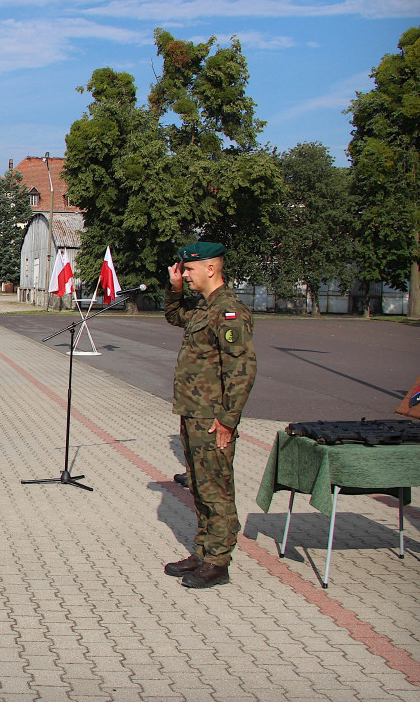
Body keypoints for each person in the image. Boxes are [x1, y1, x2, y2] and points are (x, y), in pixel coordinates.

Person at [162, 242, 257, 588]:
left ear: (211, 269)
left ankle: (218, 561)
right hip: (193, 413)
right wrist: (174, 289)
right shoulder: (204, 309)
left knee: (216, 487)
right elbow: (174, 315)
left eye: (188, 270)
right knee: (200, 487)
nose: (184, 275)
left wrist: (228, 419)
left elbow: (242, 369)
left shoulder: (228, 311)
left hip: (213, 417)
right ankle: (203, 551)